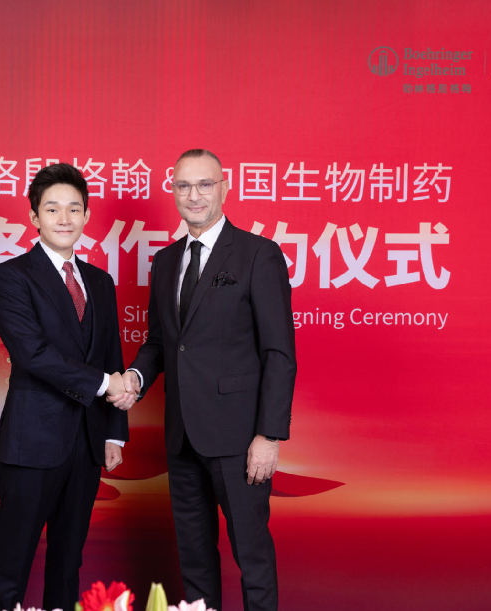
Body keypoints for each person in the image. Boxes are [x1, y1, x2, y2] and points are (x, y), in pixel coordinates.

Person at [122, 149, 296, 611]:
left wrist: (269, 435)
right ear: (173, 191)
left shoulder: (258, 254)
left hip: (240, 439)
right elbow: (160, 342)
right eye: (183, 186)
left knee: (252, 557)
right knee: (194, 561)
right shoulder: (165, 261)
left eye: (204, 184)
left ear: (224, 187)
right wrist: (136, 376)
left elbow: (279, 353)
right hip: (181, 437)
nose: (194, 195)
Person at [0, 163, 135, 611]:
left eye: (74, 209)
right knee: (11, 563)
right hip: (31, 444)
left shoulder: (101, 282)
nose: (64, 218)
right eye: (52, 209)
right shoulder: (12, 277)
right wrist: (106, 384)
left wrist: (114, 432)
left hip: (86, 444)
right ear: (34, 217)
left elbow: (111, 354)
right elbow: (33, 355)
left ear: (87, 215)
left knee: (68, 563)